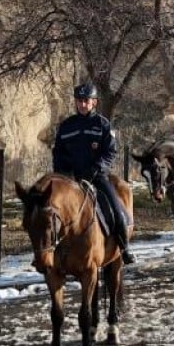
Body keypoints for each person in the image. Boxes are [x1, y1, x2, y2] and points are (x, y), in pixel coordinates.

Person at [52, 83, 134, 264]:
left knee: (116, 211)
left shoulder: (103, 124)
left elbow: (110, 152)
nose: (82, 104)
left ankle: (124, 247)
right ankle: (51, 252)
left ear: (94, 102)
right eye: (79, 101)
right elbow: (58, 153)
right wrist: (62, 173)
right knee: (49, 212)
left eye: (86, 101)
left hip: (97, 177)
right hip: (71, 179)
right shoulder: (66, 126)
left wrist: (96, 167)